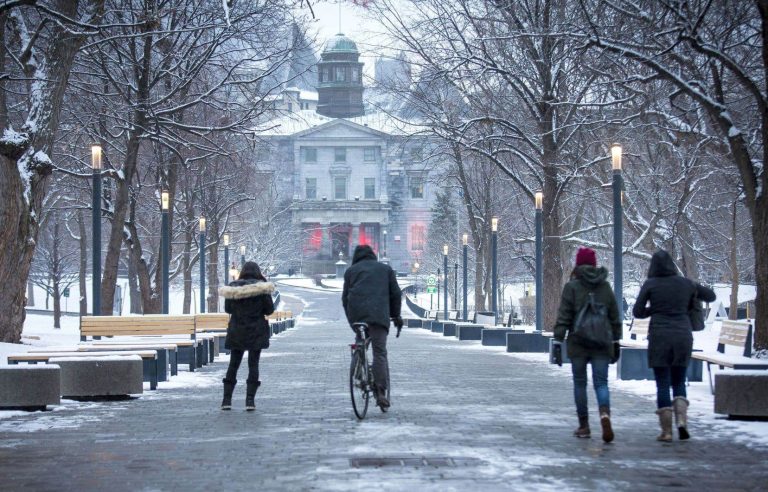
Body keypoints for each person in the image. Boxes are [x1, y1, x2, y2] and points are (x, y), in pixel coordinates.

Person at [633, 250, 716, 441]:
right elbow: (710, 296)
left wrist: (655, 309)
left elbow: (638, 311)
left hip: (659, 337)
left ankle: (666, 431)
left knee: (662, 383)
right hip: (682, 336)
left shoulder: (650, 284)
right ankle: (682, 422)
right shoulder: (686, 284)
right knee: (679, 380)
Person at [553, 247, 622, 443]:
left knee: (580, 383)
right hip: (602, 342)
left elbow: (564, 316)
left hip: (579, 342)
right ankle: (604, 414)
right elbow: (614, 317)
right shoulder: (605, 286)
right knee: (601, 382)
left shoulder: (572, 287)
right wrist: (616, 341)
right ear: (594, 264)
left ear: (577, 264)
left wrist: (558, 340)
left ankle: (584, 426)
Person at [342, 244, 403, 409]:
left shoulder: (351, 271)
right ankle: (380, 391)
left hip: (358, 317)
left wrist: (352, 322)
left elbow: (345, 299)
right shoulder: (385, 270)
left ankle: (358, 360)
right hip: (378, 317)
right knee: (379, 353)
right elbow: (396, 294)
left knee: (361, 341)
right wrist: (396, 316)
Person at [219, 261, 275, 411]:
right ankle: (250, 401)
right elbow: (269, 310)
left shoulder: (233, 288)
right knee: (253, 364)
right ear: (258, 272)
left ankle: (226, 400)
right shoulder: (263, 289)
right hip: (256, 331)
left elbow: (228, 308)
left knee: (233, 364)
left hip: (237, 330)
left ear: (243, 272)